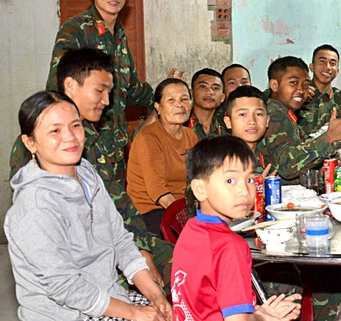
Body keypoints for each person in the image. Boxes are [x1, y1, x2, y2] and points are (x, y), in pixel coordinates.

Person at [8, 48, 169, 288]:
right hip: (78, 260)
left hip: (115, 239)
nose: (107, 101)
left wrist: (141, 247)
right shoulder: (38, 145)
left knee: (188, 261)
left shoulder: (94, 135)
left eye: (109, 92)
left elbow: (119, 200)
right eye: (99, 91)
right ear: (71, 86)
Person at [5, 91, 172, 321]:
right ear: (30, 142)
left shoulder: (86, 174)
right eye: (55, 131)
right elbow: (66, 287)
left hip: (110, 297)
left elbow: (120, 241)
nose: (70, 137)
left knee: (175, 313)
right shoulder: (35, 207)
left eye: (75, 126)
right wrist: (135, 313)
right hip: (68, 315)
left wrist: (155, 296)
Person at [46, 0, 179, 160]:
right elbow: (58, 88)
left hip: (115, 148)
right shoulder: (76, 30)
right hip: (87, 147)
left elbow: (131, 89)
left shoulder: (120, 35)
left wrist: (165, 94)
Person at [172, 136, 301, 321]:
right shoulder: (230, 247)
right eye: (230, 181)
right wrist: (263, 319)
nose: (245, 191)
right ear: (200, 189)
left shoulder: (191, 230)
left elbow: (207, 304)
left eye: (250, 179)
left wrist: (255, 313)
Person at [259, 56, 341, 183]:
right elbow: (287, 166)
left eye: (305, 85)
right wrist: (329, 137)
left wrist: (319, 169)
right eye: (293, 82)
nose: (301, 90)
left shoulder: (281, 112)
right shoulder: (276, 117)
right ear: (274, 85)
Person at [127, 78, 198, 235]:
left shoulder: (190, 135)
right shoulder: (148, 137)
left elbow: (198, 176)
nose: (179, 105)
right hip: (153, 211)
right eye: (171, 100)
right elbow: (156, 189)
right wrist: (183, 220)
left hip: (184, 207)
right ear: (158, 107)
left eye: (184, 99)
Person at [298, 44, 341, 135]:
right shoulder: (299, 91)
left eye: (332, 64)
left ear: (337, 71)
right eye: (322, 62)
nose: (327, 67)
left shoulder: (339, 97)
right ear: (312, 67)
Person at [224, 85, 270, 173]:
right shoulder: (218, 159)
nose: (252, 121)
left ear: (267, 121)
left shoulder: (268, 156)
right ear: (228, 122)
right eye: (243, 114)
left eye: (258, 114)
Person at [189, 68, 228, 139]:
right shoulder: (180, 126)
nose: (209, 92)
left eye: (215, 88)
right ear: (191, 93)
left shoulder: (225, 135)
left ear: (222, 97)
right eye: (203, 87)